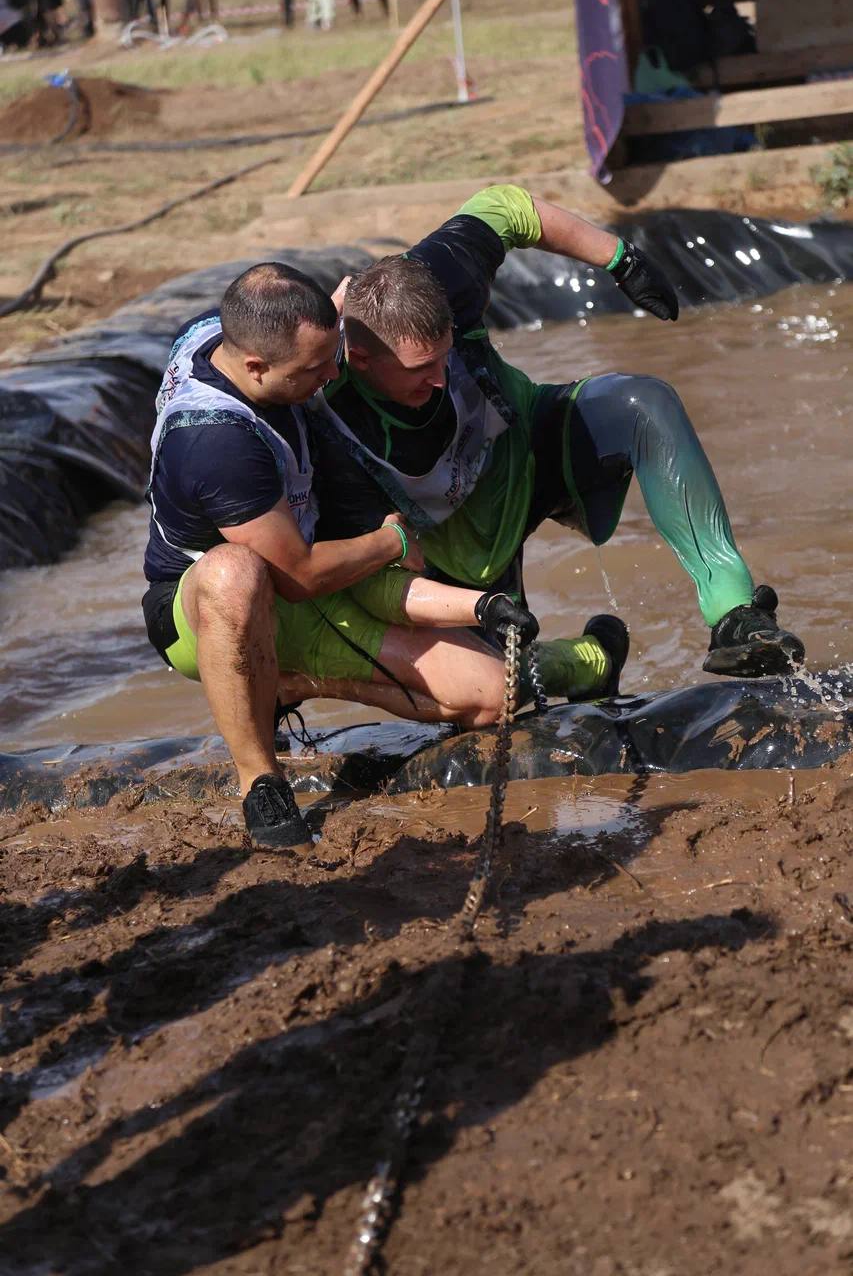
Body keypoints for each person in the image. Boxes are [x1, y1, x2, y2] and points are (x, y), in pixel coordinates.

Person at [141, 262, 578, 854]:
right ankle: (260, 782)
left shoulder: (221, 331)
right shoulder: (216, 442)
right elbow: (296, 577)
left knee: (489, 693)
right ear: (254, 366)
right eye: (315, 370)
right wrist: (392, 542)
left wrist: (346, 309)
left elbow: (306, 314)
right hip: (208, 609)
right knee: (234, 571)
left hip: (309, 582)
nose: (331, 377)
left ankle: (287, 678)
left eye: (333, 354)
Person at [306, 183, 805, 681]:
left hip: (528, 450)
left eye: (445, 354)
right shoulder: (316, 401)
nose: (439, 378)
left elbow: (505, 205)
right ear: (360, 357)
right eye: (420, 368)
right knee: (487, 687)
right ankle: (589, 663)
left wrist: (621, 260)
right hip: (444, 545)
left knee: (645, 402)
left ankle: (736, 615)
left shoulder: (442, 272)